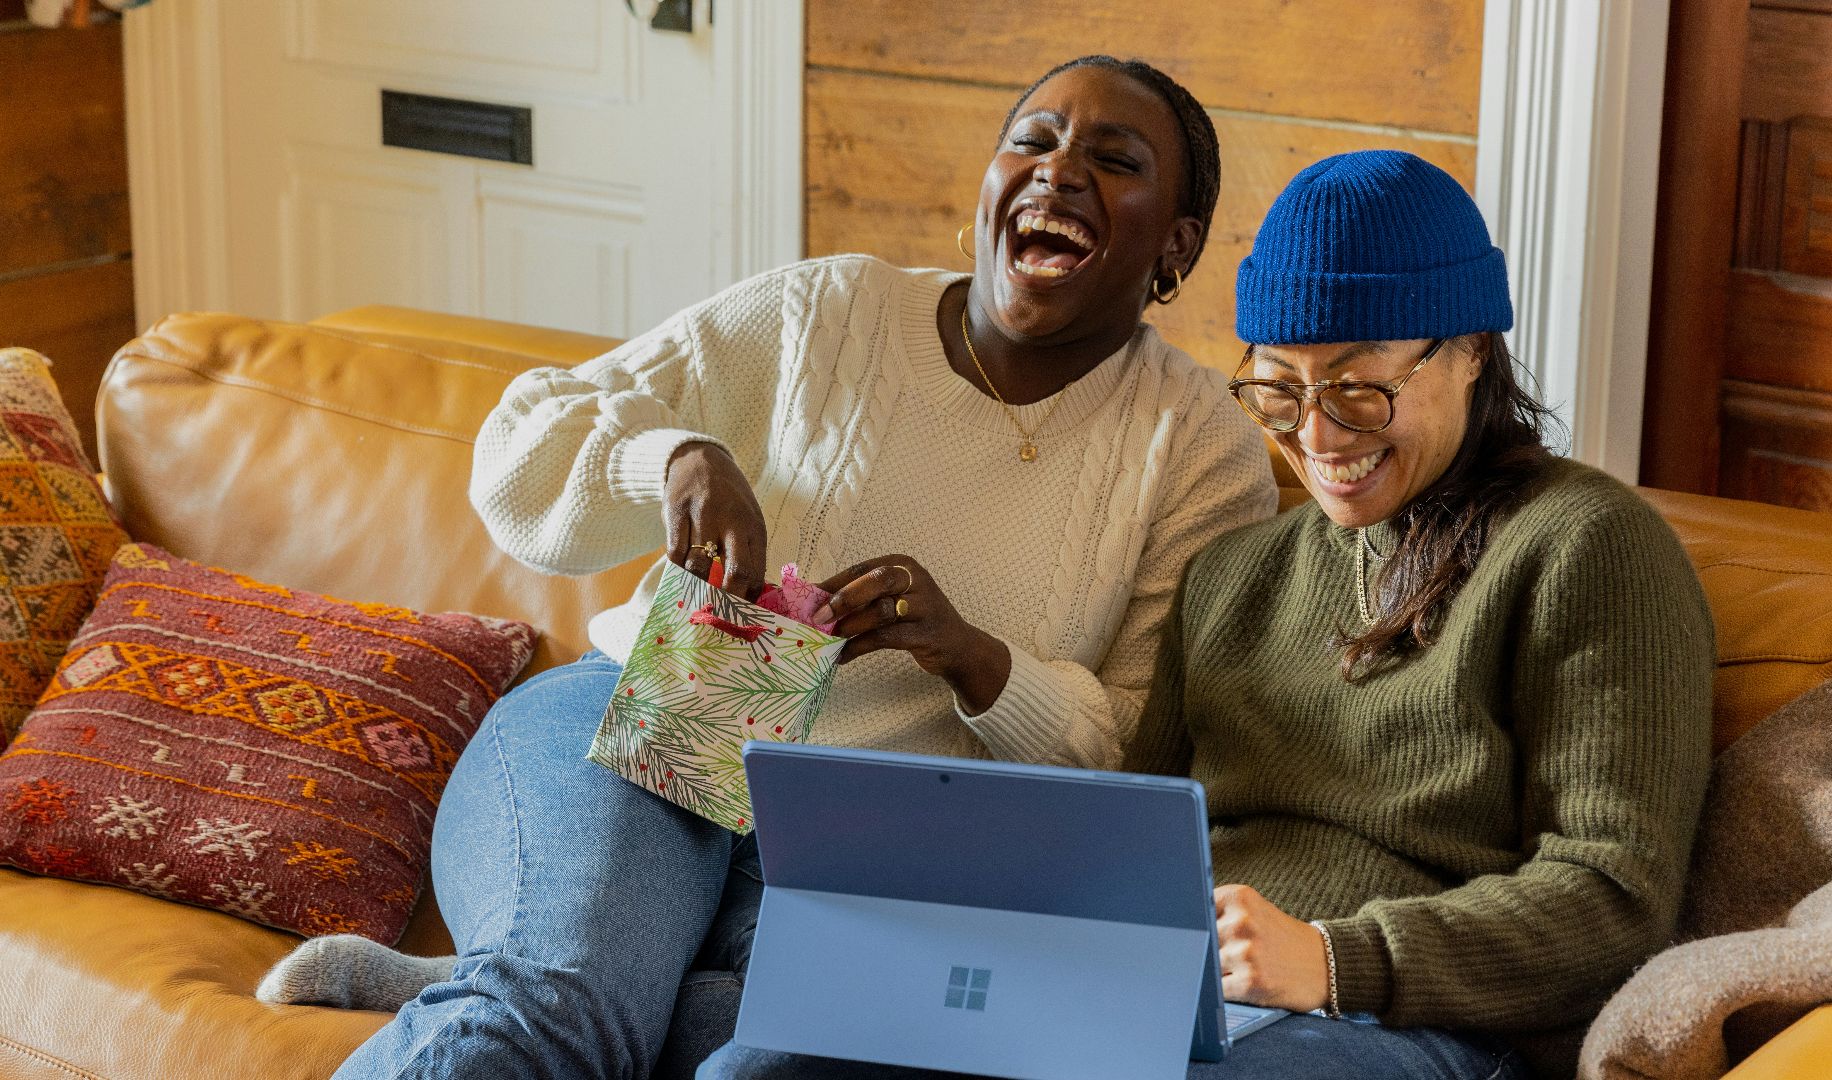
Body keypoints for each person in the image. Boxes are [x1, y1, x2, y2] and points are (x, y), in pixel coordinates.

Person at [255, 55, 1279, 1080]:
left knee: (759, 1051)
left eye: (1113, 159)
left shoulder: (1199, 447)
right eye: (1033, 140)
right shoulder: (830, 315)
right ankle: (537, 980)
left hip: (878, 851)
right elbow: (519, 450)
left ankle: (499, 973)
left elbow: (1142, 761)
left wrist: (979, 664)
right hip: (663, 715)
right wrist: (671, 459)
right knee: (559, 1017)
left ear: (1176, 246)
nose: (1057, 172)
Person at [700, 152, 1716, 1080]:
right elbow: (1127, 843)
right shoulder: (1232, 575)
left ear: (1469, 354)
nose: (1315, 436)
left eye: (1358, 390)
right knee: (760, 1067)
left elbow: (1614, 895)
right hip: (1167, 991)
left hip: (1397, 1023)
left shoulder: (1587, 546)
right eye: (1278, 390)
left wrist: (1333, 958)